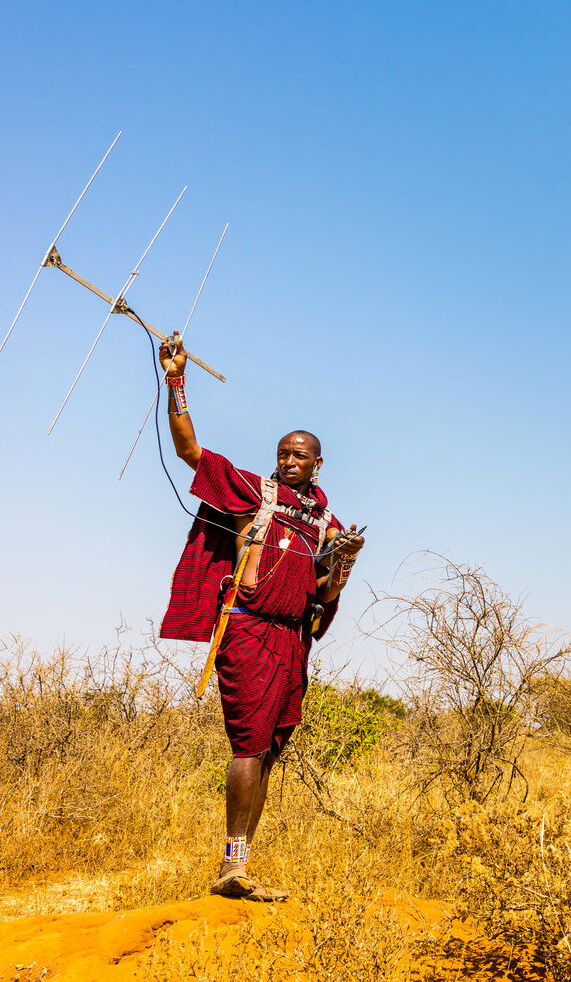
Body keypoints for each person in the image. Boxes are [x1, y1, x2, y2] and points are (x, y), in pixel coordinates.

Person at [157, 333, 365, 901]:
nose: (289, 461)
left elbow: (324, 597)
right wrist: (176, 381)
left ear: (318, 463)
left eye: (300, 455)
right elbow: (190, 452)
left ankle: (239, 866)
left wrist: (340, 566)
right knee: (248, 745)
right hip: (249, 629)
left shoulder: (325, 523)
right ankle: (230, 867)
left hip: (294, 642)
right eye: (283, 453)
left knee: (271, 747)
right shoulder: (256, 492)